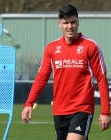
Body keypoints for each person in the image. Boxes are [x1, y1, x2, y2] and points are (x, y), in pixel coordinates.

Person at [22, 4, 111, 140]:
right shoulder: (51, 48)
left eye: (73, 22)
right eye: (66, 23)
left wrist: (105, 111)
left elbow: (102, 78)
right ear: (59, 24)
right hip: (59, 111)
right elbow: (41, 78)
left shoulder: (91, 46)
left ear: (78, 22)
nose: (70, 26)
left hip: (83, 108)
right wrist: (29, 103)